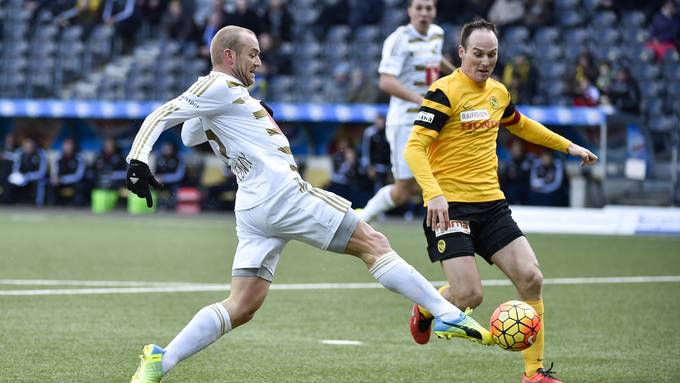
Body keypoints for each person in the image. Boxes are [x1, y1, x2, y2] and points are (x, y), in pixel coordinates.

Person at [126, 25, 492, 383]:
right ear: (228, 55)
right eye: (252, 53)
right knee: (374, 244)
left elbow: (190, 134)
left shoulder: (226, 95)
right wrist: (138, 161)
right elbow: (164, 113)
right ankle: (446, 312)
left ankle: (162, 359)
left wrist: (244, 109)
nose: (259, 61)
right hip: (283, 194)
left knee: (241, 305)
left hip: (253, 209)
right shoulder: (217, 84)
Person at [403, 19, 598, 383]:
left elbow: (521, 124)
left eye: (492, 54)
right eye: (477, 53)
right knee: (468, 294)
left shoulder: (498, 92)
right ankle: (426, 307)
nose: (485, 61)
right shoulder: (444, 92)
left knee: (531, 277)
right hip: (450, 208)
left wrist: (568, 146)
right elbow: (414, 147)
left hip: (491, 205)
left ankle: (534, 372)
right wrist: (434, 193)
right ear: (461, 52)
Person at [357, 0, 455, 223]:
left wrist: (459, 74)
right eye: (418, 7)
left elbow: (434, 58)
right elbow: (386, 82)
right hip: (404, 122)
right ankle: (360, 220)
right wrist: (421, 100)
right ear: (409, 10)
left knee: (442, 176)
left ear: (435, 11)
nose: (423, 13)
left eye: (428, 8)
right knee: (403, 191)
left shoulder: (437, 34)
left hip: (430, 119)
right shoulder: (398, 39)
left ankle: (453, 229)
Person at [7, 137, 48, 206]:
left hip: (35, 177)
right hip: (22, 177)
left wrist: (28, 176)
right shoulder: (20, 153)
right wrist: (19, 175)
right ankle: (10, 202)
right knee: (11, 180)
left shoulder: (40, 154)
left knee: (40, 183)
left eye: (30, 146)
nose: (28, 148)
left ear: (34, 146)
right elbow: (15, 168)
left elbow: (42, 172)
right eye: (26, 146)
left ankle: (38, 204)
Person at [49, 137, 87, 206]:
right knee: (51, 184)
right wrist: (55, 178)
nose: (67, 147)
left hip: (73, 181)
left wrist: (63, 179)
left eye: (69, 145)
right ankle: (54, 204)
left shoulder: (79, 158)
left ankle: (77, 204)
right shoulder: (58, 158)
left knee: (80, 185)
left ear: (73, 146)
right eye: (65, 145)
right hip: (60, 181)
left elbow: (78, 175)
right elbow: (54, 171)